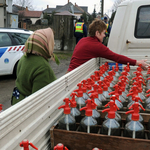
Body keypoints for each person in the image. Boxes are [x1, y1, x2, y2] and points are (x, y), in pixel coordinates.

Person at [67, 18, 149, 72]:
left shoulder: (82, 40)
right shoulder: (96, 46)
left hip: (69, 74)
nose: (104, 35)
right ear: (97, 33)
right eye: (103, 33)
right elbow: (116, 57)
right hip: (76, 78)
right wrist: (137, 62)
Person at [11, 27, 59, 105]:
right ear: (45, 44)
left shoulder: (24, 58)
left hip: (17, 103)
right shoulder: (43, 67)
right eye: (52, 42)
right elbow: (40, 101)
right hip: (27, 109)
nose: (53, 44)